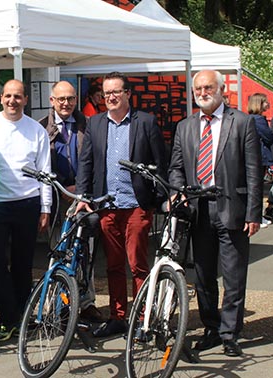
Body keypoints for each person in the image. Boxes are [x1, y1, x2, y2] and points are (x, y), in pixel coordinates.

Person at [169, 70, 262, 357]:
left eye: (209, 87)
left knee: (234, 275)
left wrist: (253, 213)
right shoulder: (185, 126)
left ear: (223, 90)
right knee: (204, 275)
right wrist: (177, 190)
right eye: (198, 88)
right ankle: (211, 327)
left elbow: (253, 171)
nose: (203, 92)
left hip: (232, 208)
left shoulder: (242, 123)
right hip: (199, 210)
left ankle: (230, 334)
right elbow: (176, 167)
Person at [74, 71, 167, 338]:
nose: (111, 97)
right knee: (113, 266)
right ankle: (118, 317)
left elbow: (160, 162)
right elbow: (86, 163)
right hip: (107, 205)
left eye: (116, 92)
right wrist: (83, 195)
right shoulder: (95, 123)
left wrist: (161, 198)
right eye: (106, 93)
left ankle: (141, 318)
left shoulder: (145, 122)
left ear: (128, 94)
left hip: (137, 204)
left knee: (137, 264)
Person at [0, 79, 52, 341]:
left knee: (23, 265)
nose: (12, 101)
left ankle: (21, 316)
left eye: (18, 96)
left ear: (25, 100)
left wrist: (46, 207)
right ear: (1, 99)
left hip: (27, 204)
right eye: (8, 96)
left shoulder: (36, 130)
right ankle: (8, 319)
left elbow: (45, 172)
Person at [38, 80, 104, 323]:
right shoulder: (41, 128)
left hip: (83, 197)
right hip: (56, 200)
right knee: (59, 251)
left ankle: (86, 303)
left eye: (71, 99)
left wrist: (80, 188)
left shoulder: (89, 125)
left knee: (85, 251)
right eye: (61, 99)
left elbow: (99, 159)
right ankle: (60, 304)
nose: (66, 103)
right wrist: (60, 190)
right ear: (52, 100)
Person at [247, 93, 273, 222]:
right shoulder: (258, 120)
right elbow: (269, 137)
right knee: (256, 187)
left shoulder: (251, 118)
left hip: (256, 158)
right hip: (260, 158)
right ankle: (257, 217)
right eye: (265, 102)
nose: (267, 104)